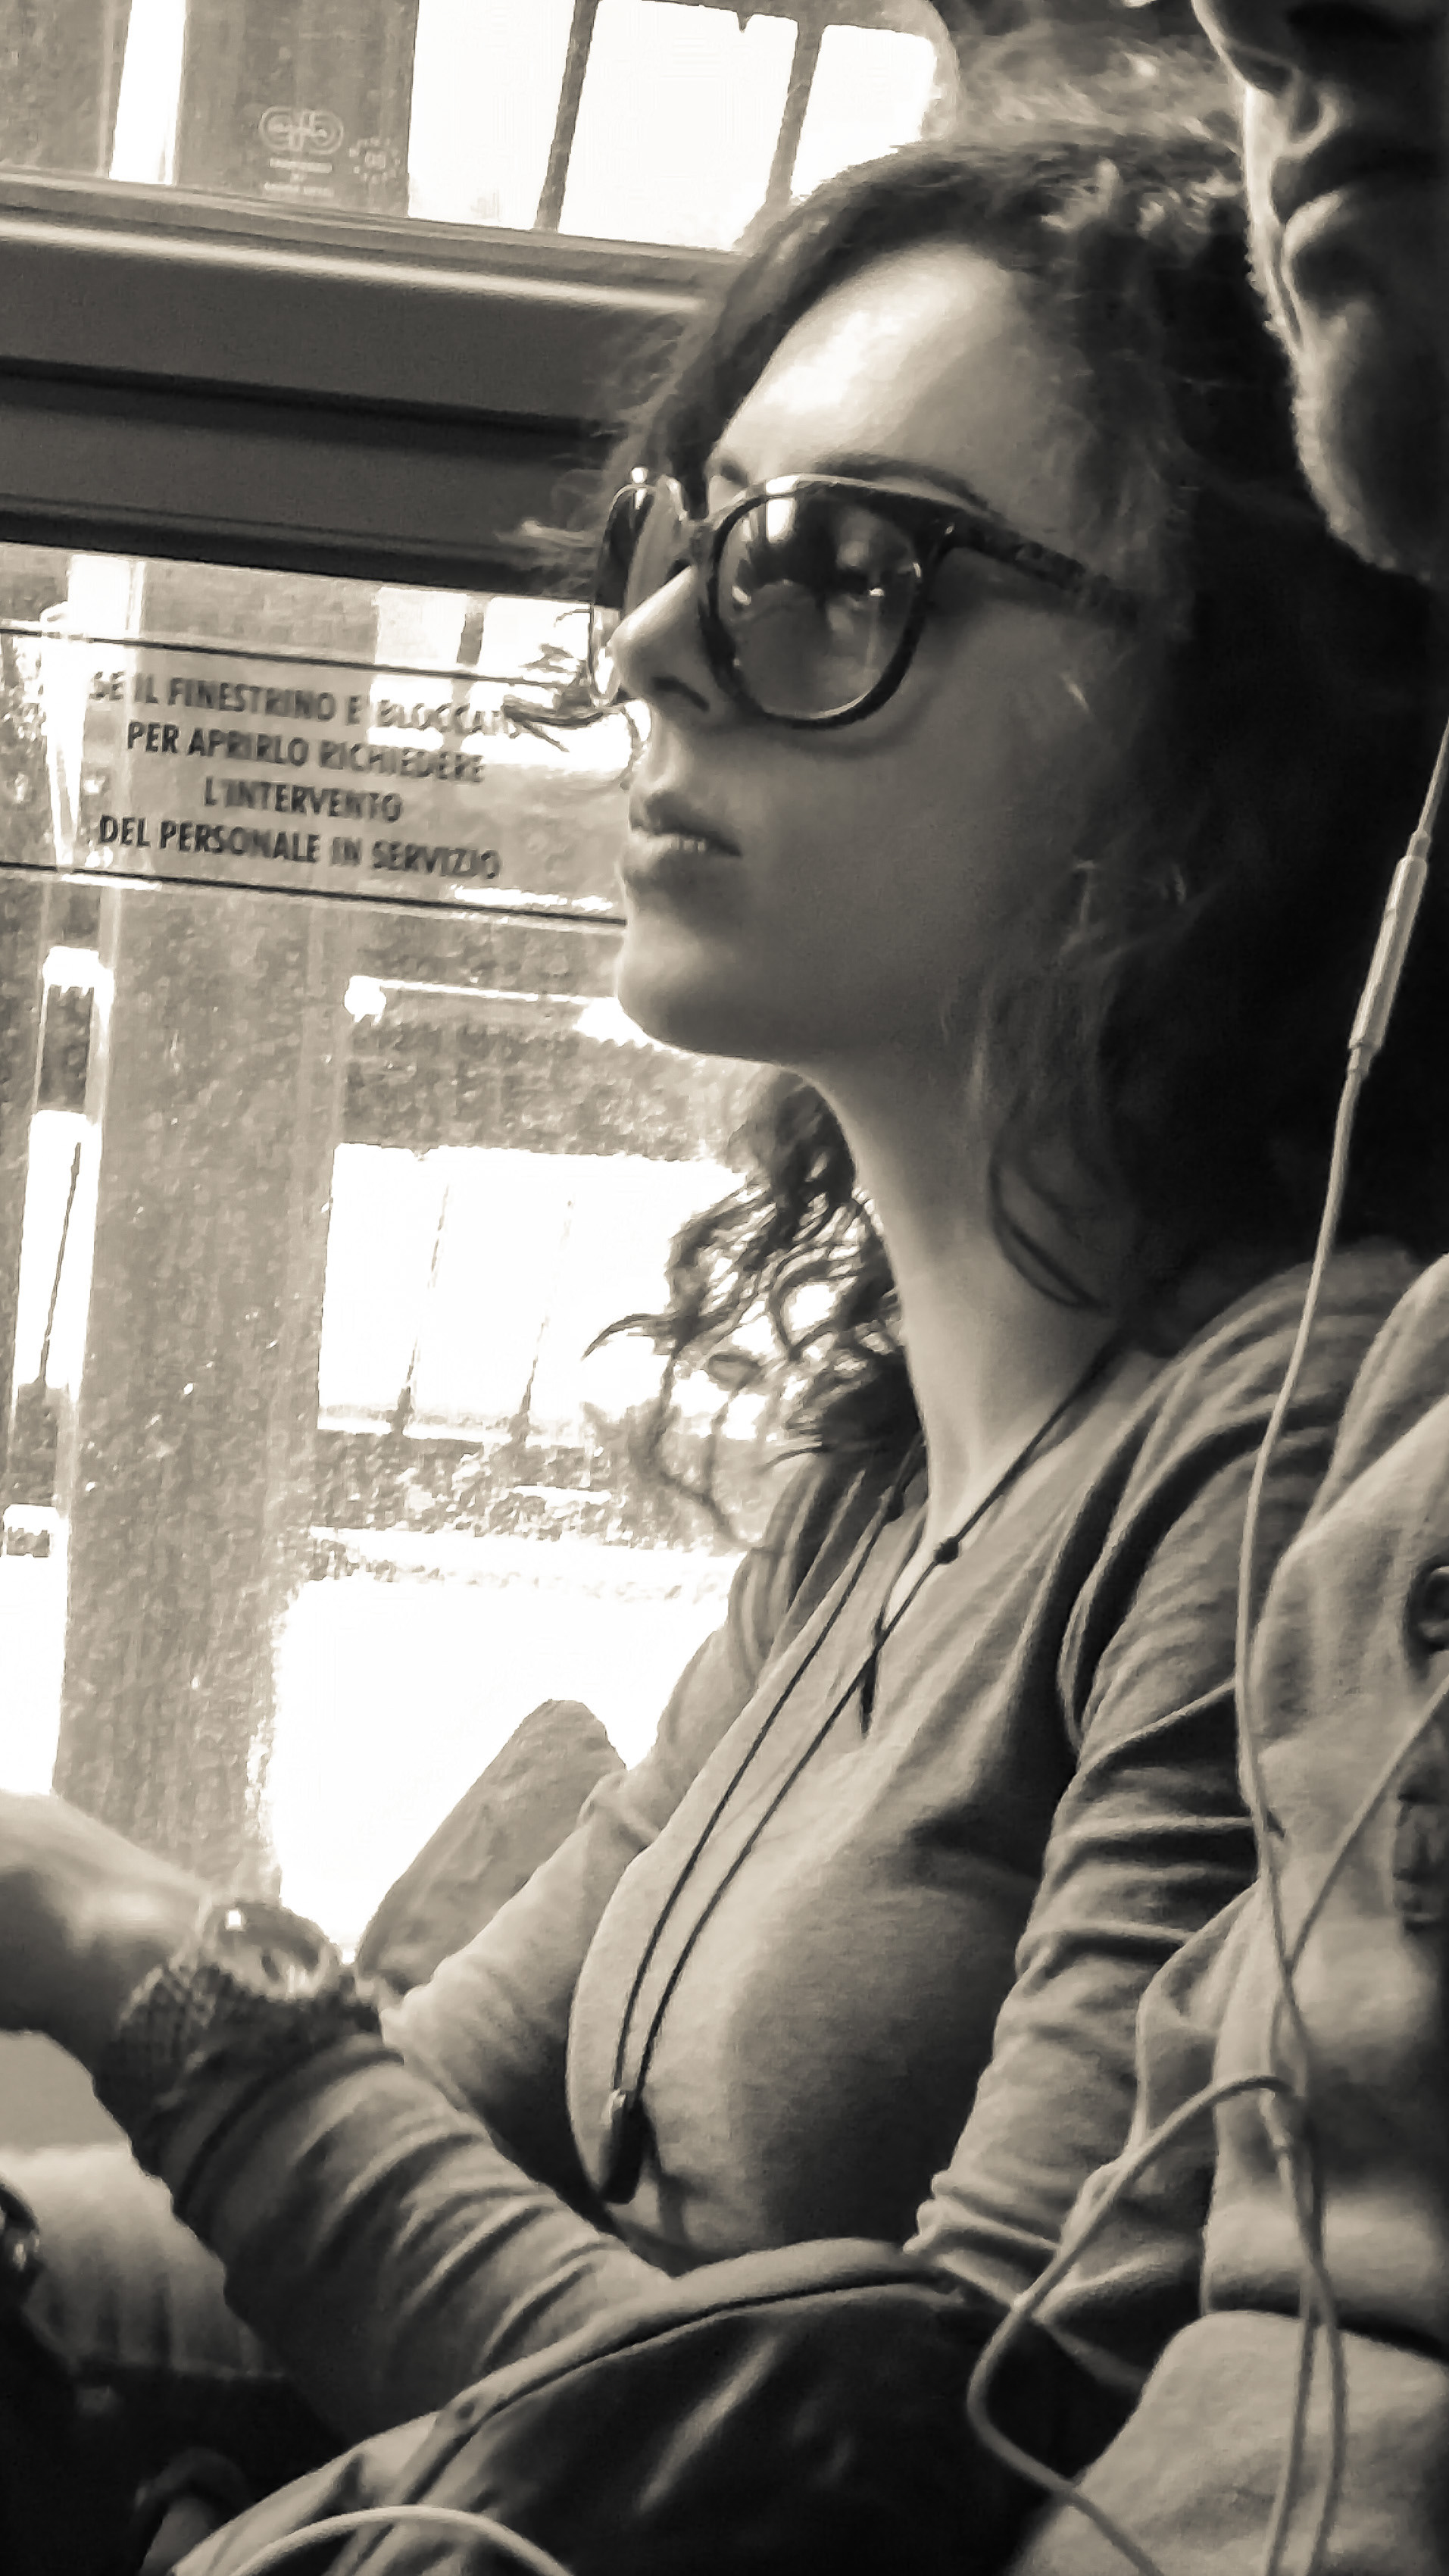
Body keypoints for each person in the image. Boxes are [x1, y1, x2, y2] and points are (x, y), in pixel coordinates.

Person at [0, 45, 1446, 2573]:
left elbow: (914, 2468)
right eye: (682, 534)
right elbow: (382, 2185)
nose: (652, 647)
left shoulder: (1284, 1449)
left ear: (1210, 710)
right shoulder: (873, 1499)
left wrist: (125, 1951)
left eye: (836, 566)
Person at [958, 1, 1449, 2568]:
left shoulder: (1273, 1394)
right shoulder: (1400, 1430)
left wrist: (169, 1987)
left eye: (848, 568)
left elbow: (927, 2394)